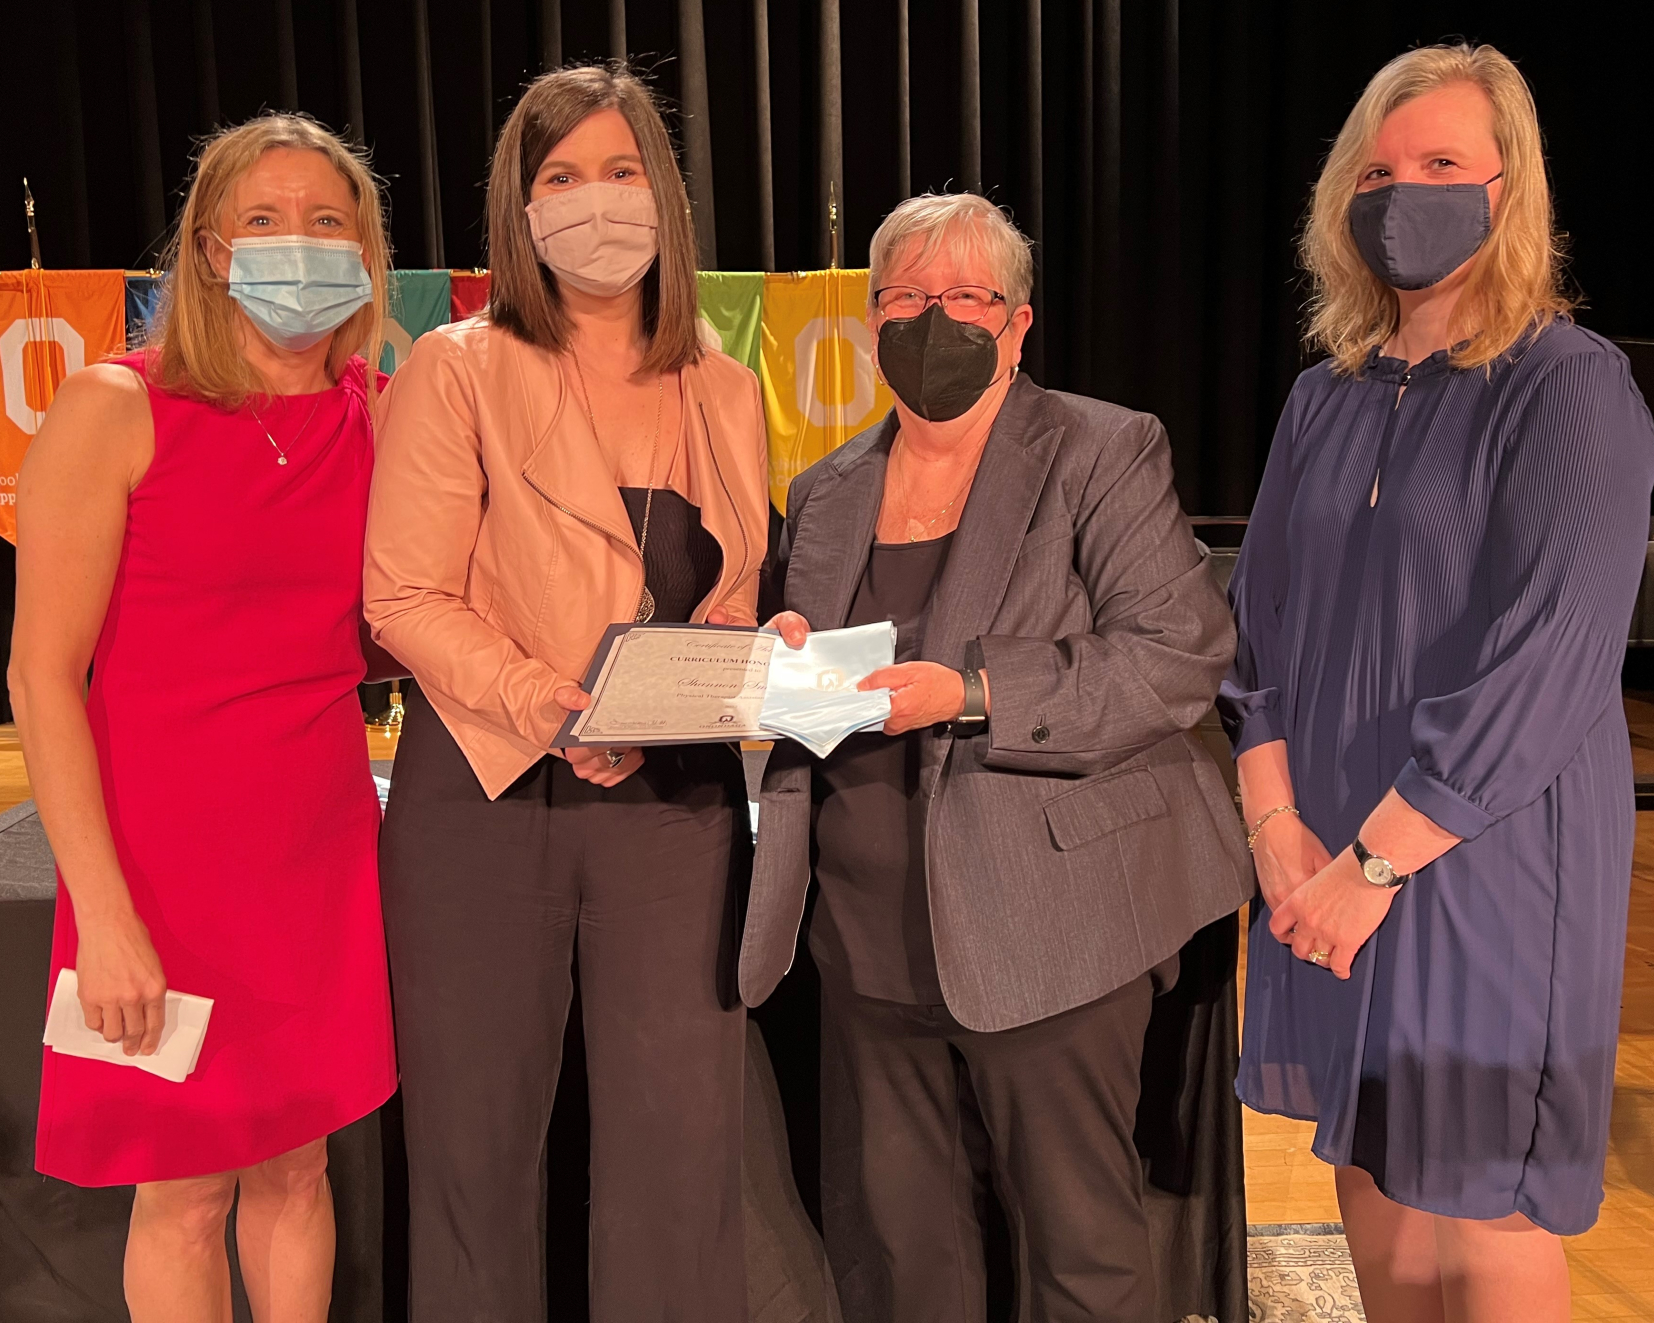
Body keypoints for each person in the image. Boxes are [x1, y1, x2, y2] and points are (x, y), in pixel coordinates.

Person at [742, 192, 1254, 1322]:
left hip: (1052, 925)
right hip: (864, 937)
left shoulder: (1101, 449)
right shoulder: (823, 491)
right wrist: (775, 656)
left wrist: (972, 692)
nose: (936, 319)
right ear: (870, 320)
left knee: (1080, 1248)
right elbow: (817, 682)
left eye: (967, 297)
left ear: (1019, 324)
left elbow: (1178, 654)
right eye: (908, 297)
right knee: (905, 1251)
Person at [1219, 43, 1654, 1323]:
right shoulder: (1322, 399)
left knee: (1480, 1202)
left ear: (1508, 189)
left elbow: (1552, 654)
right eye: (1377, 169)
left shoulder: (1568, 387)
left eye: (1441, 165)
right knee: (1370, 1162)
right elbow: (1262, 639)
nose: (1402, 191)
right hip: (1320, 855)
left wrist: (1371, 868)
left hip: (1482, 864)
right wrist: (1281, 832)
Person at [363, 66, 771, 1320]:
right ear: (519, 210)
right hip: (485, 798)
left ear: (665, 194)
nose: (594, 202)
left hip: (674, 810)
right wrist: (557, 710)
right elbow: (404, 597)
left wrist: (749, 657)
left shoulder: (726, 383)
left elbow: (734, 592)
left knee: (679, 1149)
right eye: (559, 179)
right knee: (474, 1155)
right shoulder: (457, 365)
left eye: (620, 170)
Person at [12, 114, 397, 1322]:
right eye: (266, 220)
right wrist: (106, 917)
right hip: (159, 871)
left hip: (319, 858)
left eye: (327, 221)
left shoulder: (377, 415)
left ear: (367, 249)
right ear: (210, 248)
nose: (300, 243)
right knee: (183, 1192)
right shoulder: (114, 406)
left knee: (297, 1166)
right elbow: (41, 678)